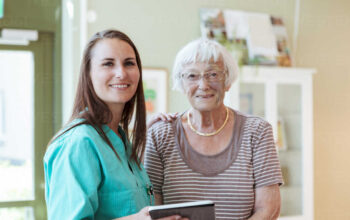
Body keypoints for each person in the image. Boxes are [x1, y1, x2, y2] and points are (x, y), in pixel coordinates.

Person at [44, 29, 186, 220]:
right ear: (88, 74)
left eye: (129, 63)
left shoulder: (120, 139)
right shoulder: (78, 143)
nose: (121, 73)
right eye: (108, 64)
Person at [144, 38, 283, 220]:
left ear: (228, 81)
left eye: (213, 74)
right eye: (192, 76)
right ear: (182, 83)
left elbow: (268, 209)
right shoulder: (161, 134)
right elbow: (152, 210)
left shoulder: (257, 131)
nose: (204, 85)